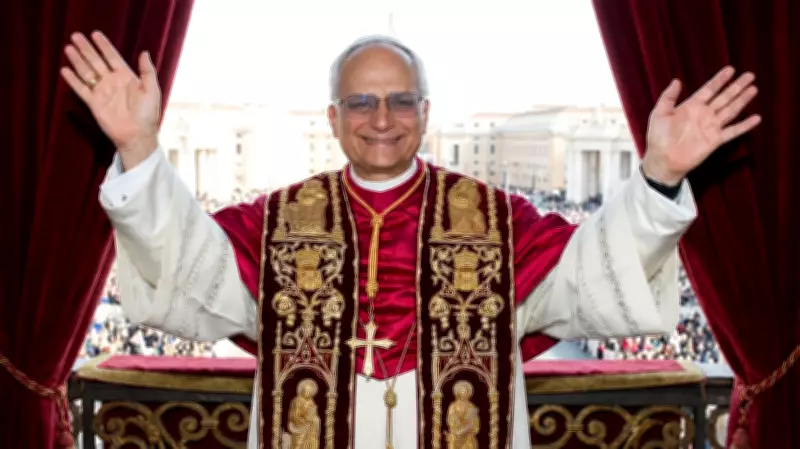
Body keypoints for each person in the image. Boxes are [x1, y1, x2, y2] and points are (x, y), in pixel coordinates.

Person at [61, 30, 760, 449]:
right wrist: (142, 151)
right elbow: (188, 270)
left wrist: (660, 175)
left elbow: (592, 275)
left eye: (400, 100)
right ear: (333, 117)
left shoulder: (496, 220)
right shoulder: (275, 224)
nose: (381, 119)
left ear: (426, 113)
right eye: (361, 101)